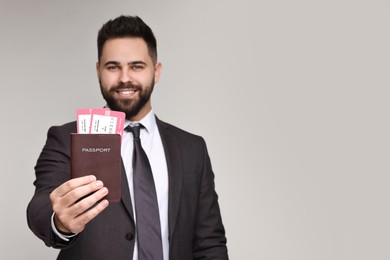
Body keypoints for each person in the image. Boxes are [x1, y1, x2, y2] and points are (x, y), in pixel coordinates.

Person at [27, 15, 228, 260]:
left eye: (136, 66)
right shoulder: (67, 138)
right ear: (98, 70)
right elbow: (40, 206)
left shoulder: (192, 148)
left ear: (156, 71)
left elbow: (210, 242)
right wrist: (60, 222)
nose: (124, 78)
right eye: (113, 67)